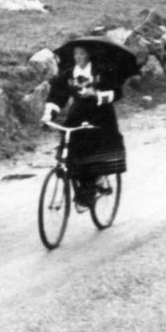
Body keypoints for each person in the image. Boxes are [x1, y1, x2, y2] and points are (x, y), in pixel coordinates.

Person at [42, 45, 127, 210]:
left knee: (94, 153)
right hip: (78, 115)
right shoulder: (68, 74)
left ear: (89, 55)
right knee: (71, 150)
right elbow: (57, 96)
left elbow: (117, 92)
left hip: (101, 116)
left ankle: (94, 185)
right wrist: (48, 115)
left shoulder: (101, 72)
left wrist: (96, 95)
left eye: (82, 53)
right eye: (76, 54)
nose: (78, 57)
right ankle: (82, 187)